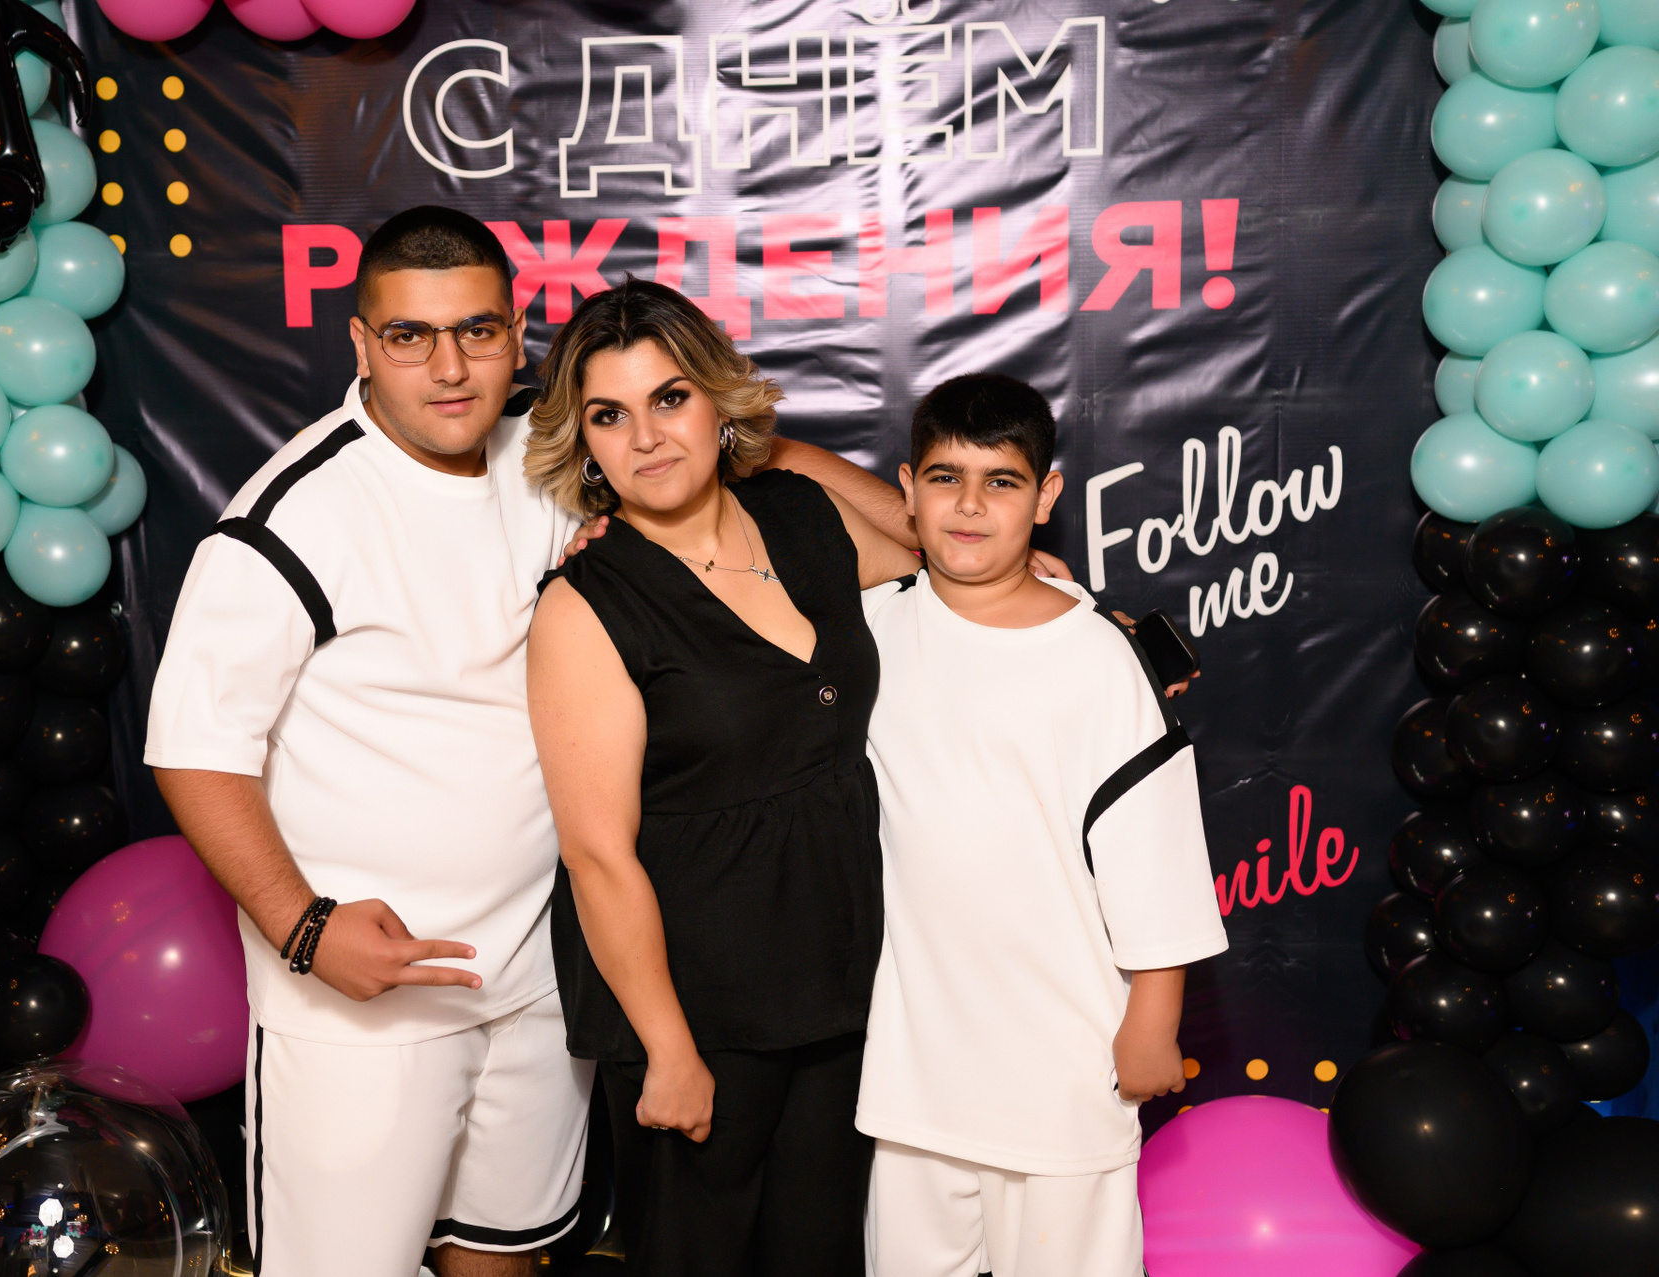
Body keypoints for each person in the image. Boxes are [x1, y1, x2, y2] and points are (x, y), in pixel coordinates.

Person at [144, 209, 916, 1277]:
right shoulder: (289, 519)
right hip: (374, 988)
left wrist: (976, 554)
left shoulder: (545, 445)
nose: (448, 366)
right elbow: (194, 749)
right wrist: (305, 928)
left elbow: (722, 451)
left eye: (476, 331)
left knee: (504, 1253)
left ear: (516, 335)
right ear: (361, 343)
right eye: (410, 336)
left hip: (542, 970)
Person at [523, 278, 928, 1277]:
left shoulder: (799, 516)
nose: (646, 437)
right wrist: (668, 1048)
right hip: (696, 1012)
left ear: (716, 399)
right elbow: (596, 854)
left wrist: (1078, 627)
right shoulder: (585, 604)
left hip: (840, 986)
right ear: (585, 442)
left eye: (672, 398)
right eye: (610, 415)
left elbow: (940, 561)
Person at [856, 374, 1228, 1277]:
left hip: (1064, 1060)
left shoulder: (1100, 657)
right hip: (916, 1068)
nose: (969, 505)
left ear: (1047, 494)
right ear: (906, 489)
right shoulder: (870, 627)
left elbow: (1155, 848)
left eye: (1002, 481)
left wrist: (1153, 1018)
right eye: (944, 478)